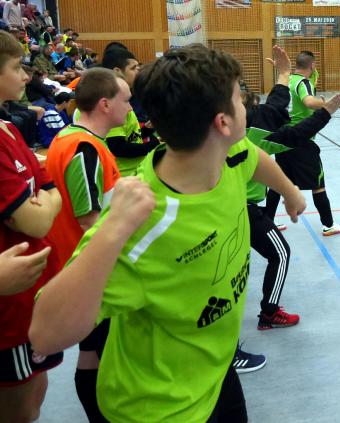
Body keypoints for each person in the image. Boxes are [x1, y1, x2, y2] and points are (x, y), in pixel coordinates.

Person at [30, 43, 306, 423]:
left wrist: (290, 193)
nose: (245, 104)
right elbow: (44, 334)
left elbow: (252, 157)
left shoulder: (227, 154)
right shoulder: (141, 224)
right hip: (157, 406)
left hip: (215, 372)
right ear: (222, 122)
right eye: (238, 98)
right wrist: (111, 233)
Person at [44, 68, 127, 422]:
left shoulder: (77, 139)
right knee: (100, 351)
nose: (130, 105)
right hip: (91, 271)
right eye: (125, 99)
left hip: (85, 268)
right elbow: (88, 218)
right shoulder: (84, 147)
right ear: (106, 104)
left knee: (93, 350)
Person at [244, 46, 340, 334]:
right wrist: (326, 110)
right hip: (241, 209)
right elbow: (294, 126)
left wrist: (283, 73)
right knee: (280, 253)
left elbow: (276, 103)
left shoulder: (236, 131)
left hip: (240, 207)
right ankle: (269, 313)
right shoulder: (261, 137)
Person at [0, 30, 62, 423]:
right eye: (15, 67)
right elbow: (36, 216)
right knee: (18, 410)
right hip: (10, 310)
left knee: (34, 395)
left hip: (30, 304)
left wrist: (49, 194)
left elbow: (47, 182)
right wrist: (50, 198)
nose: (25, 76)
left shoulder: (7, 128)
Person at [265, 50, 340, 236]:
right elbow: (308, 101)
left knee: (278, 182)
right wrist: (333, 104)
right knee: (318, 183)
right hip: (302, 138)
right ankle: (328, 224)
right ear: (312, 66)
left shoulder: (287, 80)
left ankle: (268, 221)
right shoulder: (303, 82)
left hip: (284, 138)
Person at [101, 43, 160, 176]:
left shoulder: (123, 97)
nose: (138, 71)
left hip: (136, 170)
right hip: (124, 176)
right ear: (117, 72)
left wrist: (148, 129)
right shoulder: (112, 102)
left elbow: (130, 137)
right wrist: (153, 145)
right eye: (133, 68)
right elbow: (118, 147)